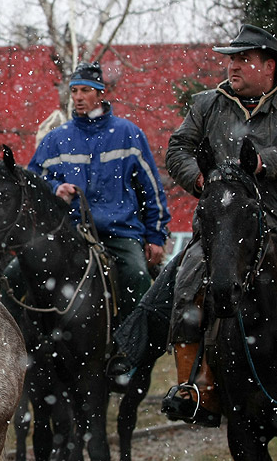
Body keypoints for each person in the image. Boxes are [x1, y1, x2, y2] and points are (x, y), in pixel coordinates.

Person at [156, 23, 277, 426]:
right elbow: (179, 147)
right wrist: (200, 179)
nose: (233, 66)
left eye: (243, 59)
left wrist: (265, 162)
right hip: (226, 226)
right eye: (231, 59)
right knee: (187, 284)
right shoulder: (207, 104)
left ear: (269, 65)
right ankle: (197, 389)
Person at [26, 62, 171, 386]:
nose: (78, 98)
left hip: (121, 231)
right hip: (72, 233)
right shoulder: (56, 139)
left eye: (85, 91)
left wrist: (156, 235)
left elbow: (151, 189)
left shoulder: (128, 134)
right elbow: (33, 181)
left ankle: (127, 352)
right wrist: (54, 189)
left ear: (100, 94)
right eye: (74, 91)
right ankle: (31, 349)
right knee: (19, 275)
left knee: (135, 276)